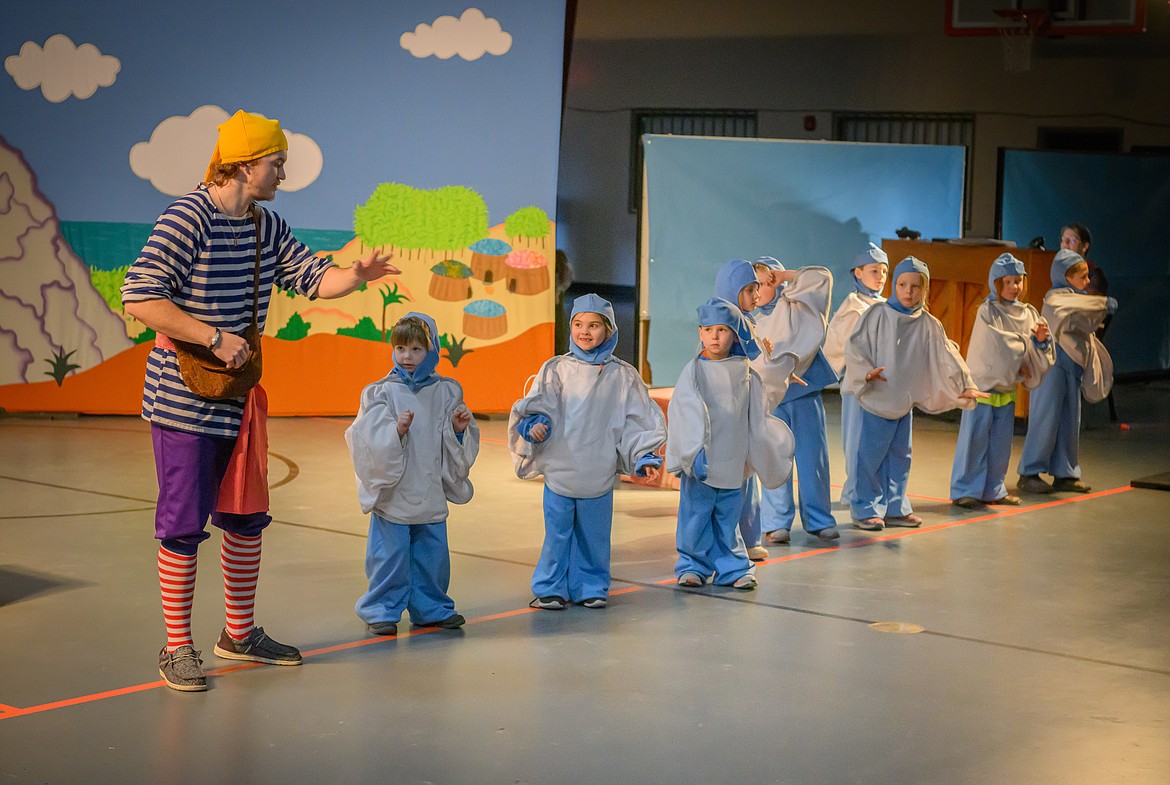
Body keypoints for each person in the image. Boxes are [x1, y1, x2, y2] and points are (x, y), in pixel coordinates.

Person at [122, 110, 398, 692]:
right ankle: (178, 648)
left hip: (240, 397)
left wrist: (355, 275)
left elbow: (308, 276)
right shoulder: (186, 219)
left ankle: (238, 634)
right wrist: (213, 337)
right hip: (183, 400)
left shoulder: (262, 225)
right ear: (246, 165)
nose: (282, 174)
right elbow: (141, 297)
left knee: (246, 519)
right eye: (277, 164)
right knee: (181, 525)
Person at [508, 294, 666, 610]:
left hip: (598, 473)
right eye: (579, 324)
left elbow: (637, 420)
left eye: (594, 325)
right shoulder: (556, 369)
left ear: (608, 330)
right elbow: (537, 406)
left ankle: (591, 586)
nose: (585, 331)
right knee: (557, 537)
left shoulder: (622, 376)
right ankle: (550, 586)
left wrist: (644, 454)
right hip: (561, 472)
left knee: (594, 537)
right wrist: (534, 426)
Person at [345, 313, 478, 636]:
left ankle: (431, 606)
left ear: (432, 351)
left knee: (431, 557)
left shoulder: (446, 391)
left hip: (429, 489)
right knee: (390, 556)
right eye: (401, 348)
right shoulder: (380, 392)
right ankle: (381, 608)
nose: (407, 356)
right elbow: (366, 438)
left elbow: (454, 442)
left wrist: (458, 430)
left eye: (417, 349)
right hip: (395, 493)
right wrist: (396, 432)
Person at [842, 257, 985, 531]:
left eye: (915, 286)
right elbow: (855, 347)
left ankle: (895, 507)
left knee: (900, 456)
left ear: (925, 289)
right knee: (869, 457)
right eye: (902, 284)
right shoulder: (877, 315)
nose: (908, 292)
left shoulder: (927, 323)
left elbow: (948, 355)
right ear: (895, 285)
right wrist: (866, 372)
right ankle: (864, 508)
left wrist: (965, 383)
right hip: (878, 399)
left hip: (903, 401)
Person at [665, 298, 794, 590]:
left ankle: (733, 567)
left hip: (733, 460)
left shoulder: (745, 372)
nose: (714, 336)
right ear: (699, 333)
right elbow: (682, 411)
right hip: (702, 462)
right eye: (708, 329)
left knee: (727, 519)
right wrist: (690, 453)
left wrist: (754, 453)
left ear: (735, 334)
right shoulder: (694, 371)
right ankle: (692, 566)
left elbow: (755, 416)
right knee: (695, 517)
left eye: (722, 330)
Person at [949, 254, 1055, 509]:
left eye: (1018, 281)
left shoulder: (1028, 313)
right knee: (975, 440)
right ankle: (966, 489)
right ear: (996, 283)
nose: (1014, 287)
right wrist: (1025, 344)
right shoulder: (988, 311)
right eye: (1007, 282)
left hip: (1007, 389)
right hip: (984, 388)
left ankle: (993, 489)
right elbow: (994, 346)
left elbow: (1035, 351)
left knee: (1000, 444)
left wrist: (1040, 342)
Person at [750, 257, 840, 546]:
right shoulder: (748, 319)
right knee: (776, 456)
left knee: (813, 457)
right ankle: (777, 522)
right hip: (771, 398)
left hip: (805, 393)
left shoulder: (796, 306)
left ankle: (819, 518)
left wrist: (785, 275)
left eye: (768, 282)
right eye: (756, 284)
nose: (762, 289)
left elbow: (821, 276)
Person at [1016, 250, 1116, 495]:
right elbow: (1075, 307)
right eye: (1081, 276)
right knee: (1046, 417)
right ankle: (1029, 471)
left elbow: (1086, 321)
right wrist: (1103, 302)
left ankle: (1066, 472)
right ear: (1065, 277)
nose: (1087, 282)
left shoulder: (1077, 298)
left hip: (1072, 364)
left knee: (1070, 419)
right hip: (1053, 363)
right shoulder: (1056, 297)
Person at [823, 244, 889, 506]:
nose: (880, 276)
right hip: (859, 385)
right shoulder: (852, 307)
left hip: (883, 386)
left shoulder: (886, 306)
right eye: (874, 270)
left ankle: (874, 491)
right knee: (857, 441)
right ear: (858, 273)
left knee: (877, 443)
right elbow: (840, 345)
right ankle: (853, 491)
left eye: (884, 271)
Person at [712, 259, 768, 560]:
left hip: (744, 414)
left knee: (748, 476)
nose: (756, 296)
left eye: (757, 289)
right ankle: (725, 541)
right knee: (727, 483)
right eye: (749, 290)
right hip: (725, 420)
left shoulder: (750, 324)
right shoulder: (724, 329)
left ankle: (749, 536)